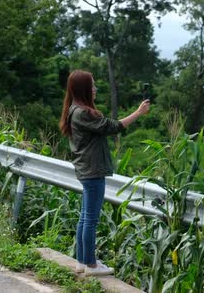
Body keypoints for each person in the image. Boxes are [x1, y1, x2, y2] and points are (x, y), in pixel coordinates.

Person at [59, 70, 150, 276]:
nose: (95, 89)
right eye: (92, 86)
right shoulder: (83, 113)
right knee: (90, 219)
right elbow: (113, 126)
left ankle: (82, 262)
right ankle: (91, 264)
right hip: (92, 171)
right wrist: (138, 112)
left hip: (86, 169)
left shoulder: (74, 109)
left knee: (85, 218)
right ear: (83, 89)